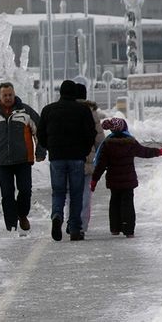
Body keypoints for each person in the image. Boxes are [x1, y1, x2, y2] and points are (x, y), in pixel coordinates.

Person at [0, 82, 46, 232]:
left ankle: (22, 215)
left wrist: (40, 151)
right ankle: (11, 226)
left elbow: (39, 130)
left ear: (14, 94)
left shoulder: (26, 112)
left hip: (23, 159)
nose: (8, 98)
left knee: (25, 190)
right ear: (0, 96)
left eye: (10, 95)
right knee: (7, 195)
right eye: (5, 95)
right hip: (3, 162)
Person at [37, 80, 96, 241]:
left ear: (60, 92)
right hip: (77, 157)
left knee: (58, 192)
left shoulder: (48, 110)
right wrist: (84, 151)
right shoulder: (83, 110)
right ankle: (75, 228)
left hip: (57, 157)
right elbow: (91, 133)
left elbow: (40, 134)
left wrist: (50, 147)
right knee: (76, 193)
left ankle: (57, 215)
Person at [91, 118, 162, 237]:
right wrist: (159, 151)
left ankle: (115, 228)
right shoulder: (131, 142)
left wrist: (94, 180)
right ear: (124, 128)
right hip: (128, 180)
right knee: (128, 204)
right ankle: (128, 230)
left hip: (114, 180)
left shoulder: (107, 144)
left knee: (115, 203)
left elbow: (101, 165)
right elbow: (145, 152)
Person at [69, 83, 105, 234]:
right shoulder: (91, 112)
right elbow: (99, 138)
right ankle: (82, 225)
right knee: (85, 193)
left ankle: (71, 222)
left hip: (69, 157)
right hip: (88, 158)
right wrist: (101, 154)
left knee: (69, 192)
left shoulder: (67, 110)